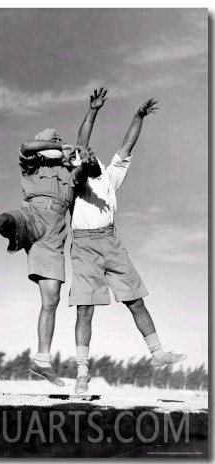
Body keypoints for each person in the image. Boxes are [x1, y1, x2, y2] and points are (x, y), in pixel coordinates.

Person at [0, 130, 94, 386]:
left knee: (52, 300)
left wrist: (85, 161)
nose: (58, 140)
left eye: (58, 138)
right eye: (53, 138)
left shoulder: (69, 172)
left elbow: (80, 175)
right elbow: (26, 145)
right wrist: (58, 145)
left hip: (53, 238)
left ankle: (42, 361)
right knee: (3, 221)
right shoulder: (33, 165)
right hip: (31, 217)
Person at [69, 89, 187, 394]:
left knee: (135, 300)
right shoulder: (79, 179)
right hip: (83, 246)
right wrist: (93, 111)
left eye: (94, 155)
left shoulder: (110, 177)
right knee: (85, 309)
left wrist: (138, 116)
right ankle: (82, 373)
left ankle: (158, 354)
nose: (91, 156)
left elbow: (128, 144)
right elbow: (81, 143)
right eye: (87, 155)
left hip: (111, 242)